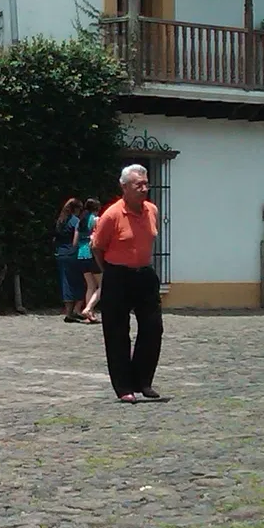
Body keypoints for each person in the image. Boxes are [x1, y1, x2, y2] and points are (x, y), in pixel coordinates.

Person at [91, 165, 164, 402]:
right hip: (118, 276)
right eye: (138, 185)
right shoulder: (112, 215)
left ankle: (143, 381)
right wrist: (110, 272)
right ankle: (123, 387)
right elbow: (97, 247)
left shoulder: (151, 210)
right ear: (124, 187)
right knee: (117, 332)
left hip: (145, 275)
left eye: (146, 184)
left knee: (153, 328)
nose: (144, 188)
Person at [54, 198, 86, 323]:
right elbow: (76, 240)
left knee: (65, 282)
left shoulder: (60, 220)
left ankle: (68, 311)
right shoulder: (76, 221)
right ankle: (76, 309)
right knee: (79, 281)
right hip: (72, 254)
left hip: (60, 253)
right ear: (77, 209)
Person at [77, 197, 102, 323]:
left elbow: (76, 239)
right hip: (92, 254)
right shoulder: (95, 219)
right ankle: (89, 308)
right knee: (103, 285)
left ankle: (89, 314)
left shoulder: (80, 220)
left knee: (90, 286)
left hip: (81, 254)